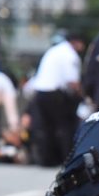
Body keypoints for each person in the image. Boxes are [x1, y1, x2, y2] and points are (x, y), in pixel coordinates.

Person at [31, 30, 87, 166]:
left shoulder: (54, 50)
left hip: (40, 92)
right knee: (66, 125)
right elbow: (72, 82)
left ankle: (46, 159)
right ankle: (67, 159)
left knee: (47, 127)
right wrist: (84, 95)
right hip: (54, 94)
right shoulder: (70, 54)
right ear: (76, 42)